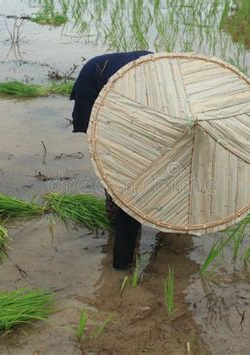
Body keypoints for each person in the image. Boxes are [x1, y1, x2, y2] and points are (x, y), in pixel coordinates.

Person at [70, 51, 152, 270]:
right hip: (95, 81)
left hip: (133, 91)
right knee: (112, 161)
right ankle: (114, 213)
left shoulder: (172, 88)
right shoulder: (145, 85)